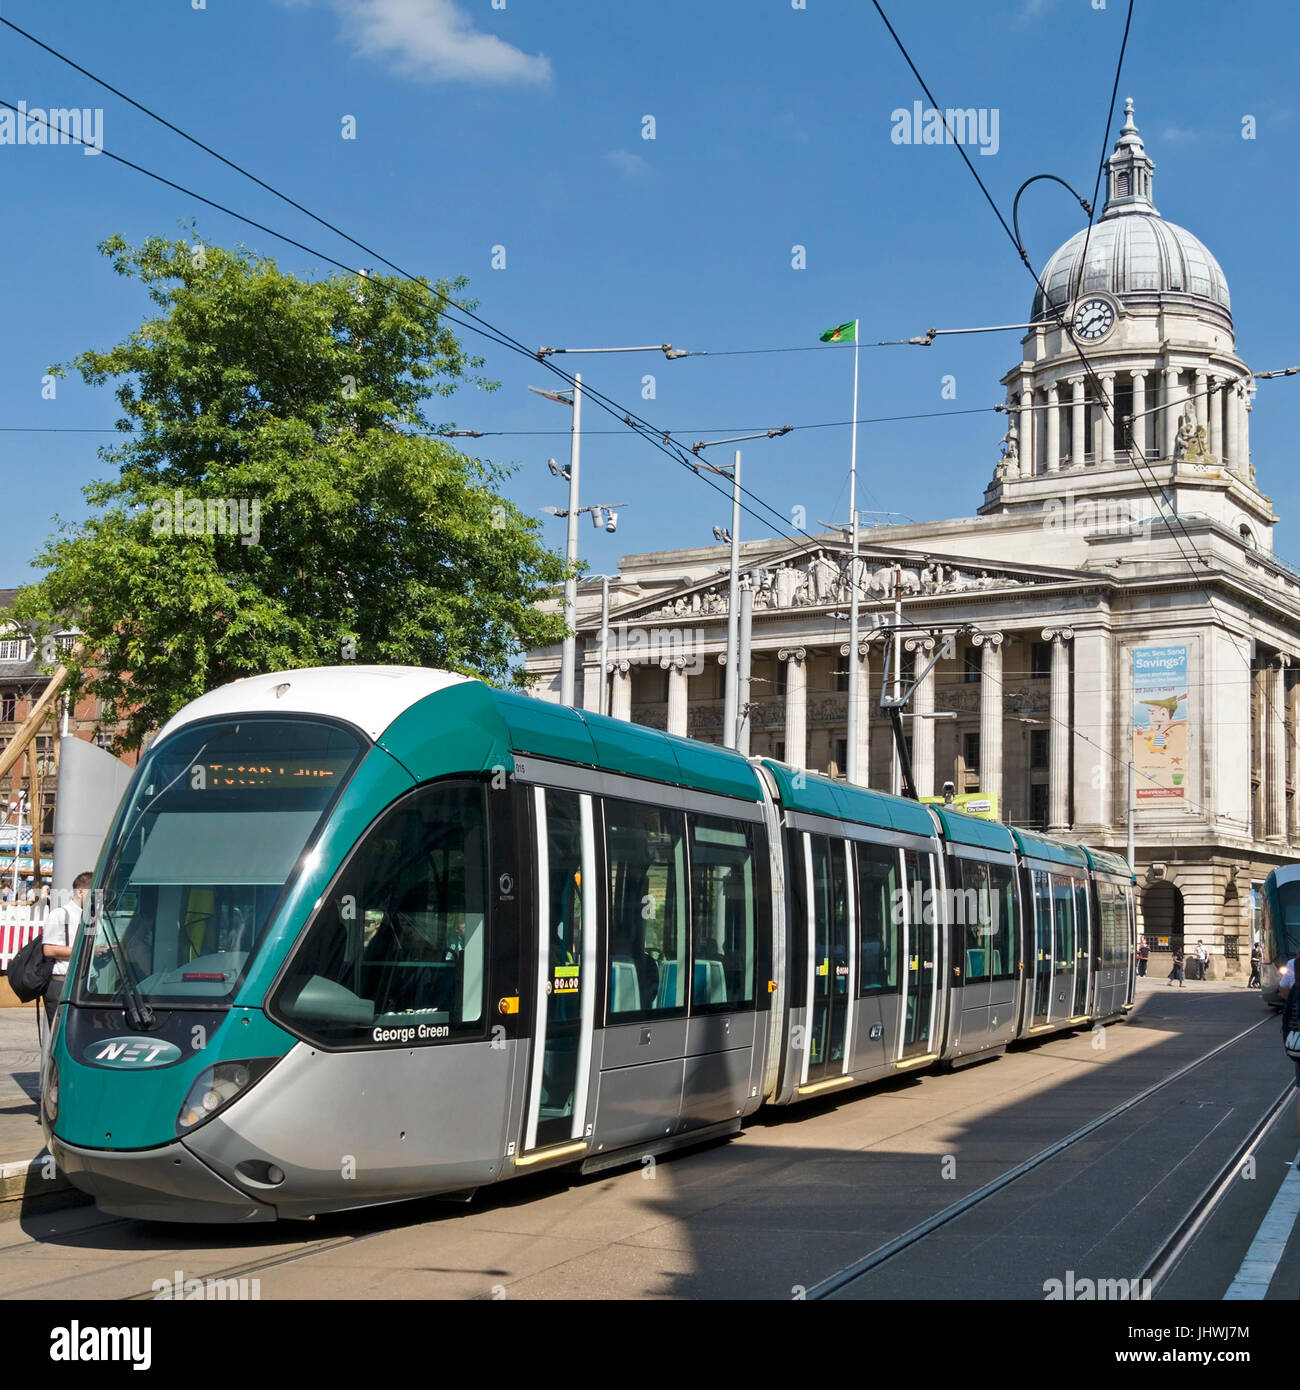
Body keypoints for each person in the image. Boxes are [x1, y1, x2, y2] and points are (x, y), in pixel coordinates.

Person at [41, 872, 93, 1029]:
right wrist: (84, 951)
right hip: (62, 983)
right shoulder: (59, 914)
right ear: (80, 892)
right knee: (62, 1032)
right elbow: (48, 950)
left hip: (88, 983)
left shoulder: (92, 916)